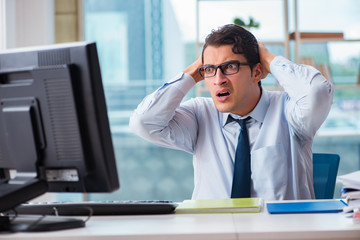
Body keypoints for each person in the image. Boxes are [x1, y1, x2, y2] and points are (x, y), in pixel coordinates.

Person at [129, 24, 334, 201]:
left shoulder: (289, 112)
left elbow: (317, 92)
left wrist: (268, 58)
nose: (218, 80)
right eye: (209, 69)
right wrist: (194, 71)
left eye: (230, 67)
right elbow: (144, 123)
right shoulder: (200, 114)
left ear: (256, 72)